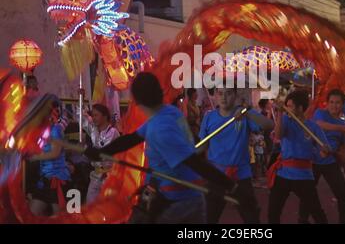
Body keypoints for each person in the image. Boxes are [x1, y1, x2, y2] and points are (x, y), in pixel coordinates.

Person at [83, 72, 252, 224]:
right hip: (181, 198)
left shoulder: (160, 129)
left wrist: (232, 187)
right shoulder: (169, 112)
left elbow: (194, 163)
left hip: (177, 204)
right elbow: (131, 139)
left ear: (138, 102)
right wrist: (101, 153)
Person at [199, 87, 274, 224]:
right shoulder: (209, 117)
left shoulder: (244, 115)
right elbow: (202, 146)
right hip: (216, 176)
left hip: (241, 176)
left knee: (252, 219)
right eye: (220, 93)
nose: (223, 97)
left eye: (228, 93)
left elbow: (269, 125)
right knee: (209, 218)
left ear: (235, 95)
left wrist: (247, 112)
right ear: (214, 95)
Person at [267, 90, 329, 224]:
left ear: (300, 108)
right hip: (283, 173)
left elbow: (323, 152)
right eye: (286, 105)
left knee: (317, 212)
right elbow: (278, 136)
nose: (287, 108)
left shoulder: (313, 127)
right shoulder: (286, 120)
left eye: (290, 106)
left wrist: (325, 151)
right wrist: (280, 113)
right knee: (273, 212)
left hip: (304, 176)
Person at [298, 89, 345, 224]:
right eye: (331, 102)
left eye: (338, 103)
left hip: (330, 163)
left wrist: (344, 162)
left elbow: (342, 145)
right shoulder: (320, 113)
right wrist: (340, 129)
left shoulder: (343, 123)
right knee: (307, 194)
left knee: (342, 195)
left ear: (342, 104)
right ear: (326, 104)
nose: (334, 105)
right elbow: (319, 125)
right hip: (313, 162)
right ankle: (302, 220)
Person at [29, 99, 71, 216]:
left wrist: (35, 157)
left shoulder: (55, 130)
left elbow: (55, 153)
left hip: (56, 179)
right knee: (32, 214)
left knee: (60, 217)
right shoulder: (42, 132)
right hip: (44, 179)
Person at [83, 104, 120, 204]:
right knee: (90, 204)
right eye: (93, 115)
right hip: (96, 175)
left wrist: (88, 150)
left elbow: (102, 151)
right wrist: (81, 98)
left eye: (96, 115)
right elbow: (82, 119)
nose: (93, 118)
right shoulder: (94, 130)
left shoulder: (113, 132)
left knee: (107, 207)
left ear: (105, 116)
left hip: (109, 177)